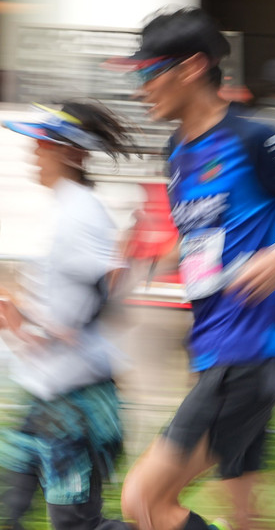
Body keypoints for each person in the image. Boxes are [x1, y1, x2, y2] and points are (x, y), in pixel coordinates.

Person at [109, 8, 275, 530]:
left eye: (149, 74)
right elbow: (207, 234)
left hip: (247, 355)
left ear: (193, 68)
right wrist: (159, 255)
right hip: (213, 350)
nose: (141, 90)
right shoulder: (176, 151)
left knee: (144, 502)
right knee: (246, 517)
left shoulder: (255, 140)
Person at [0, 100, 136, 530]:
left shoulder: (81, 213)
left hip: (77, 407)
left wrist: (27, 322)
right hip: (45, 397)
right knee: (8, 512)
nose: (32, 153)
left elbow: (98, 302)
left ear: (69, 153)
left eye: (41, 144)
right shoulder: (66, 208)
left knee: (78, 527)